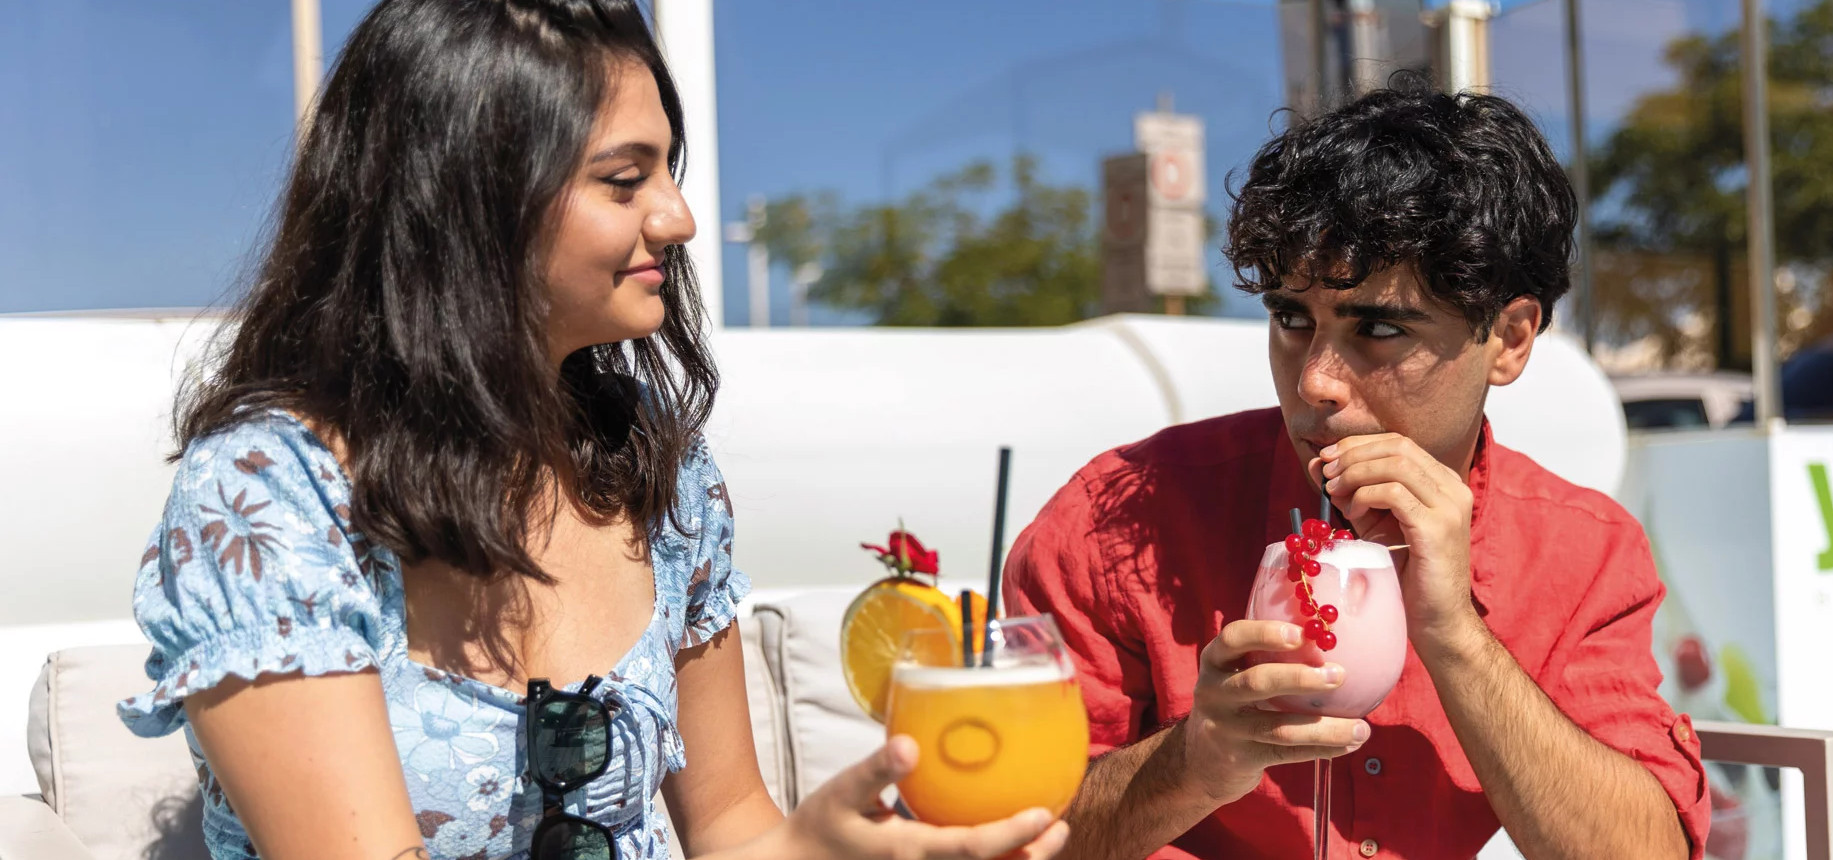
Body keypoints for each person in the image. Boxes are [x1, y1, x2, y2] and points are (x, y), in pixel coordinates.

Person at [116, 3, 1067, 860]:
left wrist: (828, 848)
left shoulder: (660, 470)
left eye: (668, 171)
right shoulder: (269, 494)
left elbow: (733, 826)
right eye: (624, 180)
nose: (681, 217)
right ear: (467, 201)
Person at [1005, 77, 1709, 860]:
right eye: (1291, 318)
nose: (1315, 381)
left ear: (1509, 339)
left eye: (1378, 327)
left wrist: (1458, 638)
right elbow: (997, 838)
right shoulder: (1119, 520)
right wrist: (1195, 762)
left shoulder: (1580, 548)